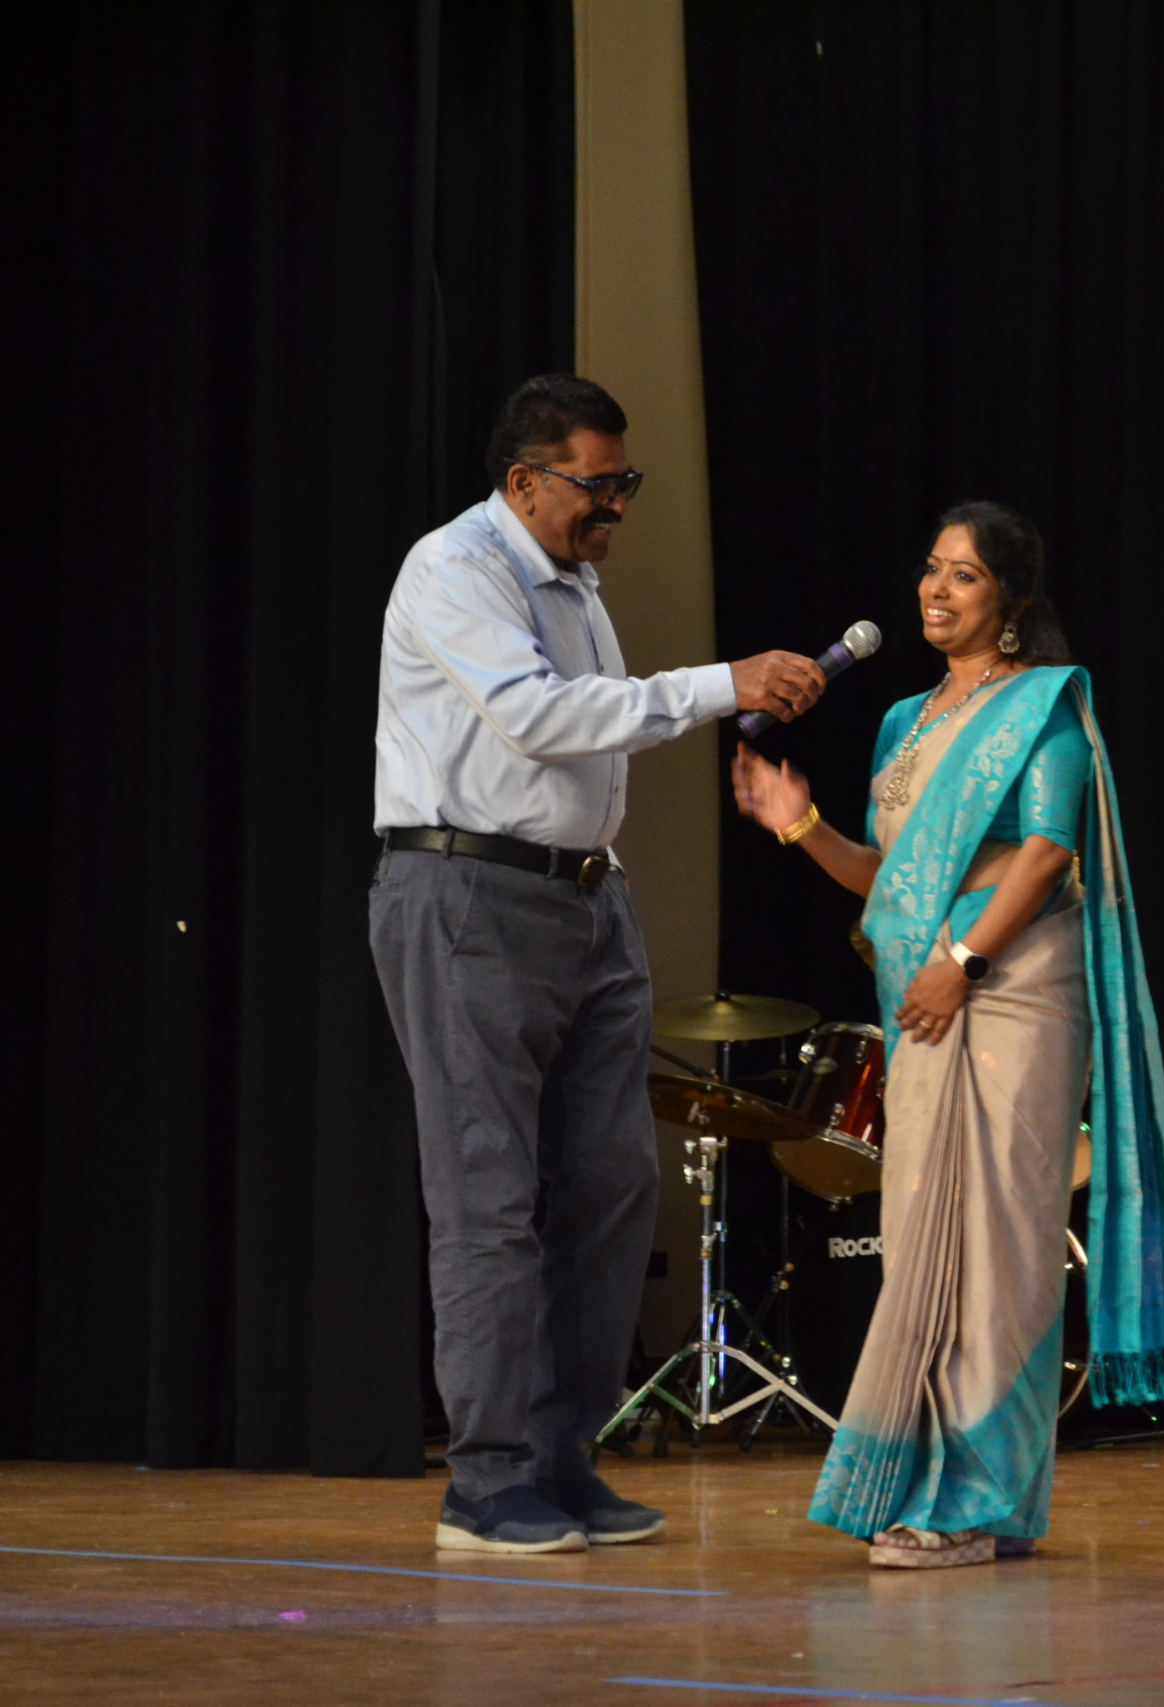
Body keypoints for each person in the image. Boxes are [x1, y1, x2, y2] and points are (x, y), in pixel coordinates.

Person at [371, 375, 829, 1554]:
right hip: (468, 898)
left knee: (617, 1186)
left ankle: (562, 1459)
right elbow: (539, 717)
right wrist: (724, 685)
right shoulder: (454, 568)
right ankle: (485, 1484)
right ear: (524, 481)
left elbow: (589, 739)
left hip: (586, 902)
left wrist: (607, 878)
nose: (616, 505)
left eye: (626, 482)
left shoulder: (572, 581)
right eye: (599, 484)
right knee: (488, 1197)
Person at [732, 500, 1164, 1569]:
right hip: (925, 998)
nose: (936, 591)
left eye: (964, 576)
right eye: (931, 570)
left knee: (1000, 1245)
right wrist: (798, 824)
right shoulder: (904, 721)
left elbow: (1045, 853)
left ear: (1012, 600)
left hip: (1014, 985)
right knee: (920, 1238)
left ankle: (980, 1499)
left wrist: (964, 962)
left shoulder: (1041, 705)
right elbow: (888, 880)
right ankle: (923, 1483)